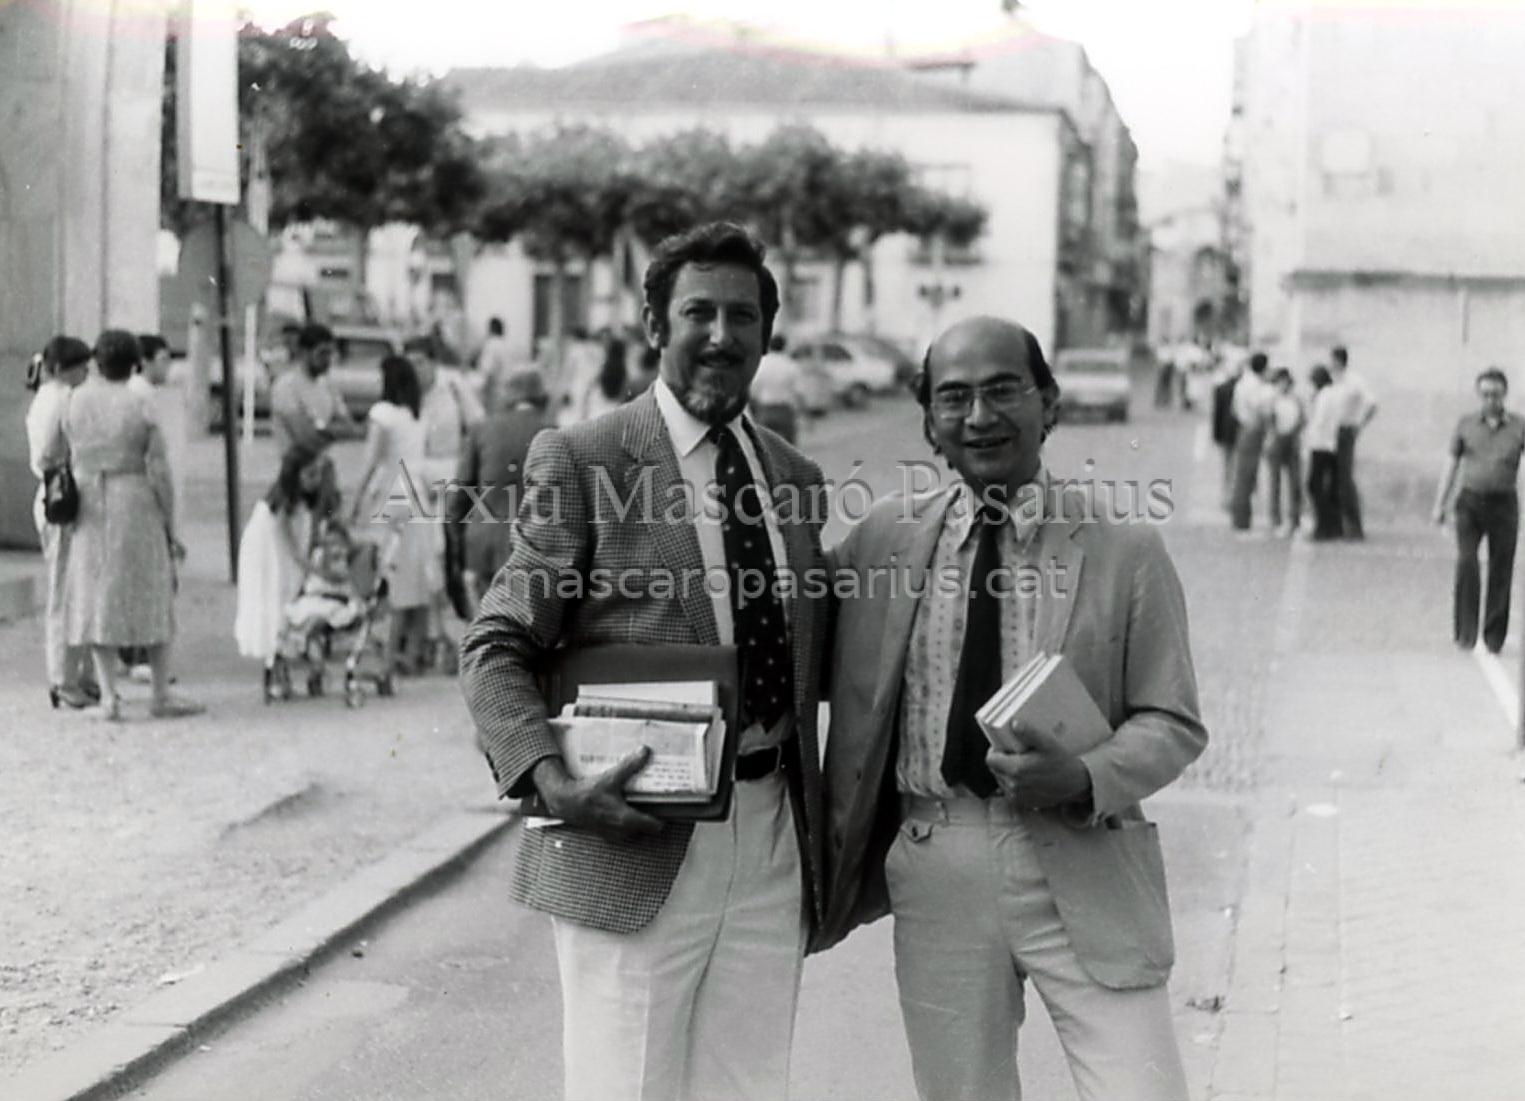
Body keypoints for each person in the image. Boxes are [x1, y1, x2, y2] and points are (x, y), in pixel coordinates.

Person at [459, 222, 830, 1101]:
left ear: (767, 333)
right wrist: (552, 783)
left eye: (742, 316)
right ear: (655, 324)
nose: (721, 335)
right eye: (698, 312)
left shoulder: (795, 479)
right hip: (632, 837)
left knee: (748, 1088)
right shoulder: (586, 459)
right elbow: (495, 645)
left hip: (771, 835)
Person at [818, 315, 1206, 1101]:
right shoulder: (882, 541)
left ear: (1047, 403)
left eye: (1002, 390)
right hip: (937, 856)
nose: (979, 416)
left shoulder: (1122, 547)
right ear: (928, 421)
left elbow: (1172, 719)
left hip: (1086, 856)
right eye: (953, 397)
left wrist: (1086, 774)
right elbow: (792, 649)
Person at [43, 330, 202, 721]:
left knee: (97, 595)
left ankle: (109, 697)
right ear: (135, 364)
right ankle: (160, 694)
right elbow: (159, 470)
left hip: (88, 503)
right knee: (152, 591)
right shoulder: (141, 403)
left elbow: (49, 453)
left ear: (97, 362)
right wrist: (171, 525)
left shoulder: (73, 401)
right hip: (135, 499)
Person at [350, 354, 441, 675]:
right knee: (415, 576)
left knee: (388, 573)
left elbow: (371, 460)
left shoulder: (383, 414)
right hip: (417, 495)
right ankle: (413, 650)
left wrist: (356, 499)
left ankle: (389, 653)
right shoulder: (417, 415)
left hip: (393, 494)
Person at [25, 335, 98, 709]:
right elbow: (52, 455)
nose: (85, 373)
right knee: (66, 592)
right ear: (60, 369)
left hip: (53, 496)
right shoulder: (61, 400)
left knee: (70, 589)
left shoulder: (46, 398)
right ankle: (64, 678)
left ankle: (76, 674)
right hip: (62, 497)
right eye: (78, 367)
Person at [1433, 368, 1525, 653]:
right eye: (1485, 394)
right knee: (1467, 562)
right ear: (1478, 395)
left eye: (1495, 394)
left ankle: (1494, 636)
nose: (1490, 400)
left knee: (1501, 567)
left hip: (1503, 505)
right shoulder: (1466, 424)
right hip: (1470, 503)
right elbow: (1451, 464)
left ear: (1504, 394)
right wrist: (1439, 504)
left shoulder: (1519, 426)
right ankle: (1466, 633)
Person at [448, 369, 550, 615]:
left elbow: (459, 498)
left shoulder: (482, 429)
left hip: (484, 544)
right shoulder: (556, 433)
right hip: (535, 548)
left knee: (487, 621)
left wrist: (456, 547)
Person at [234, 444, 344, 661]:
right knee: (275, 584)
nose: (316, 480)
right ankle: (276, 640)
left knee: (288, 583)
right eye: (310, 474)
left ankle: (289, 638)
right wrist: (319, 572)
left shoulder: (306, 498)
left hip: (286, 543)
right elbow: (293, 551)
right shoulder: (281, 503)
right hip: (267, 545)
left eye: (317, 474)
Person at [269, 323, 362, 455]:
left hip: (323, 463)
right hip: (294, 464)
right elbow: (304, 436)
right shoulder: (286, 386)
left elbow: (350, 427)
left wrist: (325, 430)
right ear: (304, 353)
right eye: (322, 353)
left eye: (330, 354)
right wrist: (334, 431)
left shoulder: (328, 385)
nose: (327, 360)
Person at [1330, 345, 1378, 539]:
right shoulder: (1333, 381)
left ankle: (1353, 526)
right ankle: (1335, 525)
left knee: (1344, 479)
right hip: (1329, 433)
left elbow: (1372, 403)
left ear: (1339, 360)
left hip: (1345, 431)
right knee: (1331, 479)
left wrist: (1359, 425)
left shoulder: (1354, 381)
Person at [1229, 352, 1274, 532]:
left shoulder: (1243, 383)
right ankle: (1241, 518)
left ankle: (1241, 517)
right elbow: (1260, 407)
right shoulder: (1255, 386)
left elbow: (1234, 408)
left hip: (1244, 427)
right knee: (1246, 475)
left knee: (1244, 474)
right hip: (1252, 428)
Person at [1304, 365, 1343, 541]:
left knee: (1314, 485)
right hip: (1331, 444)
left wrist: (1307, 442)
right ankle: (1332, 526)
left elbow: (1318, 422)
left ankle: (1322, 525)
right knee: (1328, 486)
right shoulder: (1334, 394)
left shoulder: (1324, 396)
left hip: (1320, 444)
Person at [1265, 367, 1305, 536]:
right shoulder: (1273, 399)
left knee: (1295, 482)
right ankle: (1275, 518)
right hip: (1277, 441)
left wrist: (1294, 433)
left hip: (1292, 441)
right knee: (1275, 482)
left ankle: (1295, 518)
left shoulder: (1296, 400)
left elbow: (1302, 419)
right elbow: (1269, 420)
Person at [750, 332, 804, 444]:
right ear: (785, 346)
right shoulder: (790, 364)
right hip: (785, 410)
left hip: (766, 410)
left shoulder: (762, 364)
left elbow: (754, 390)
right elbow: (799, 392)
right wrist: (805, 414)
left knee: (765, 446)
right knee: (788, 448)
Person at [573, 336, 629, 422]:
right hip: (615, 408)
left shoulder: (604, 368)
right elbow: (624, 392)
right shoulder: (623, 370)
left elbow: (590, 387)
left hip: (600, 409)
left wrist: (584, 411)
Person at [1210, 356, 1241, 506]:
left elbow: (1217, 414)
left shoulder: (1220, 389)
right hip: (1240, 432)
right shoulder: (1242, 388)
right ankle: (1235, 497)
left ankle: (1227, 497)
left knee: (1228, 466)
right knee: (1238, 466)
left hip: (1226, 433)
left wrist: (1216, 435)